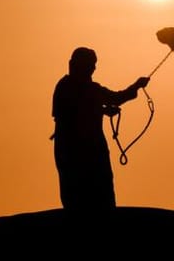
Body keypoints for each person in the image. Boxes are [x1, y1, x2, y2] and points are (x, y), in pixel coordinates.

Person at [51, 47, 149, 220]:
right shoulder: (81, 88)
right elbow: (114, 98)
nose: (93, 69)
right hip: (84, 152)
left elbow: (78, 109)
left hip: (71, 150)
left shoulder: (65, 86)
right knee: (89, 197)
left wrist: (102, 110)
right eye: (91, 65)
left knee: (79, 197)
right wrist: (136, 86)